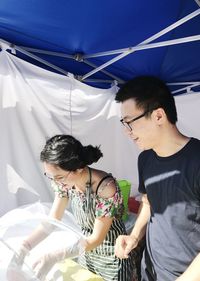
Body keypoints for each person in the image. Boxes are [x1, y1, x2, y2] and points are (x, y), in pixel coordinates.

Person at [9, 134, 137, 281]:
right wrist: (24, 247)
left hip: (112, 257)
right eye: (50, 176)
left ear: (78, 169)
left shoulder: (105, 188)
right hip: (82, 251)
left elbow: (96, 239)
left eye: (59, 177)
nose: (56, 182)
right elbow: (52, 221)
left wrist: (54, 256)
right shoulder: (65, 183)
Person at [114, 76, 200, 281]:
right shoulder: (145, 159)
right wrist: (135, 235)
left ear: (159, 116)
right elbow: (148, 202)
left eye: (129, 123)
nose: (127, 132)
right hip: (151, 270)